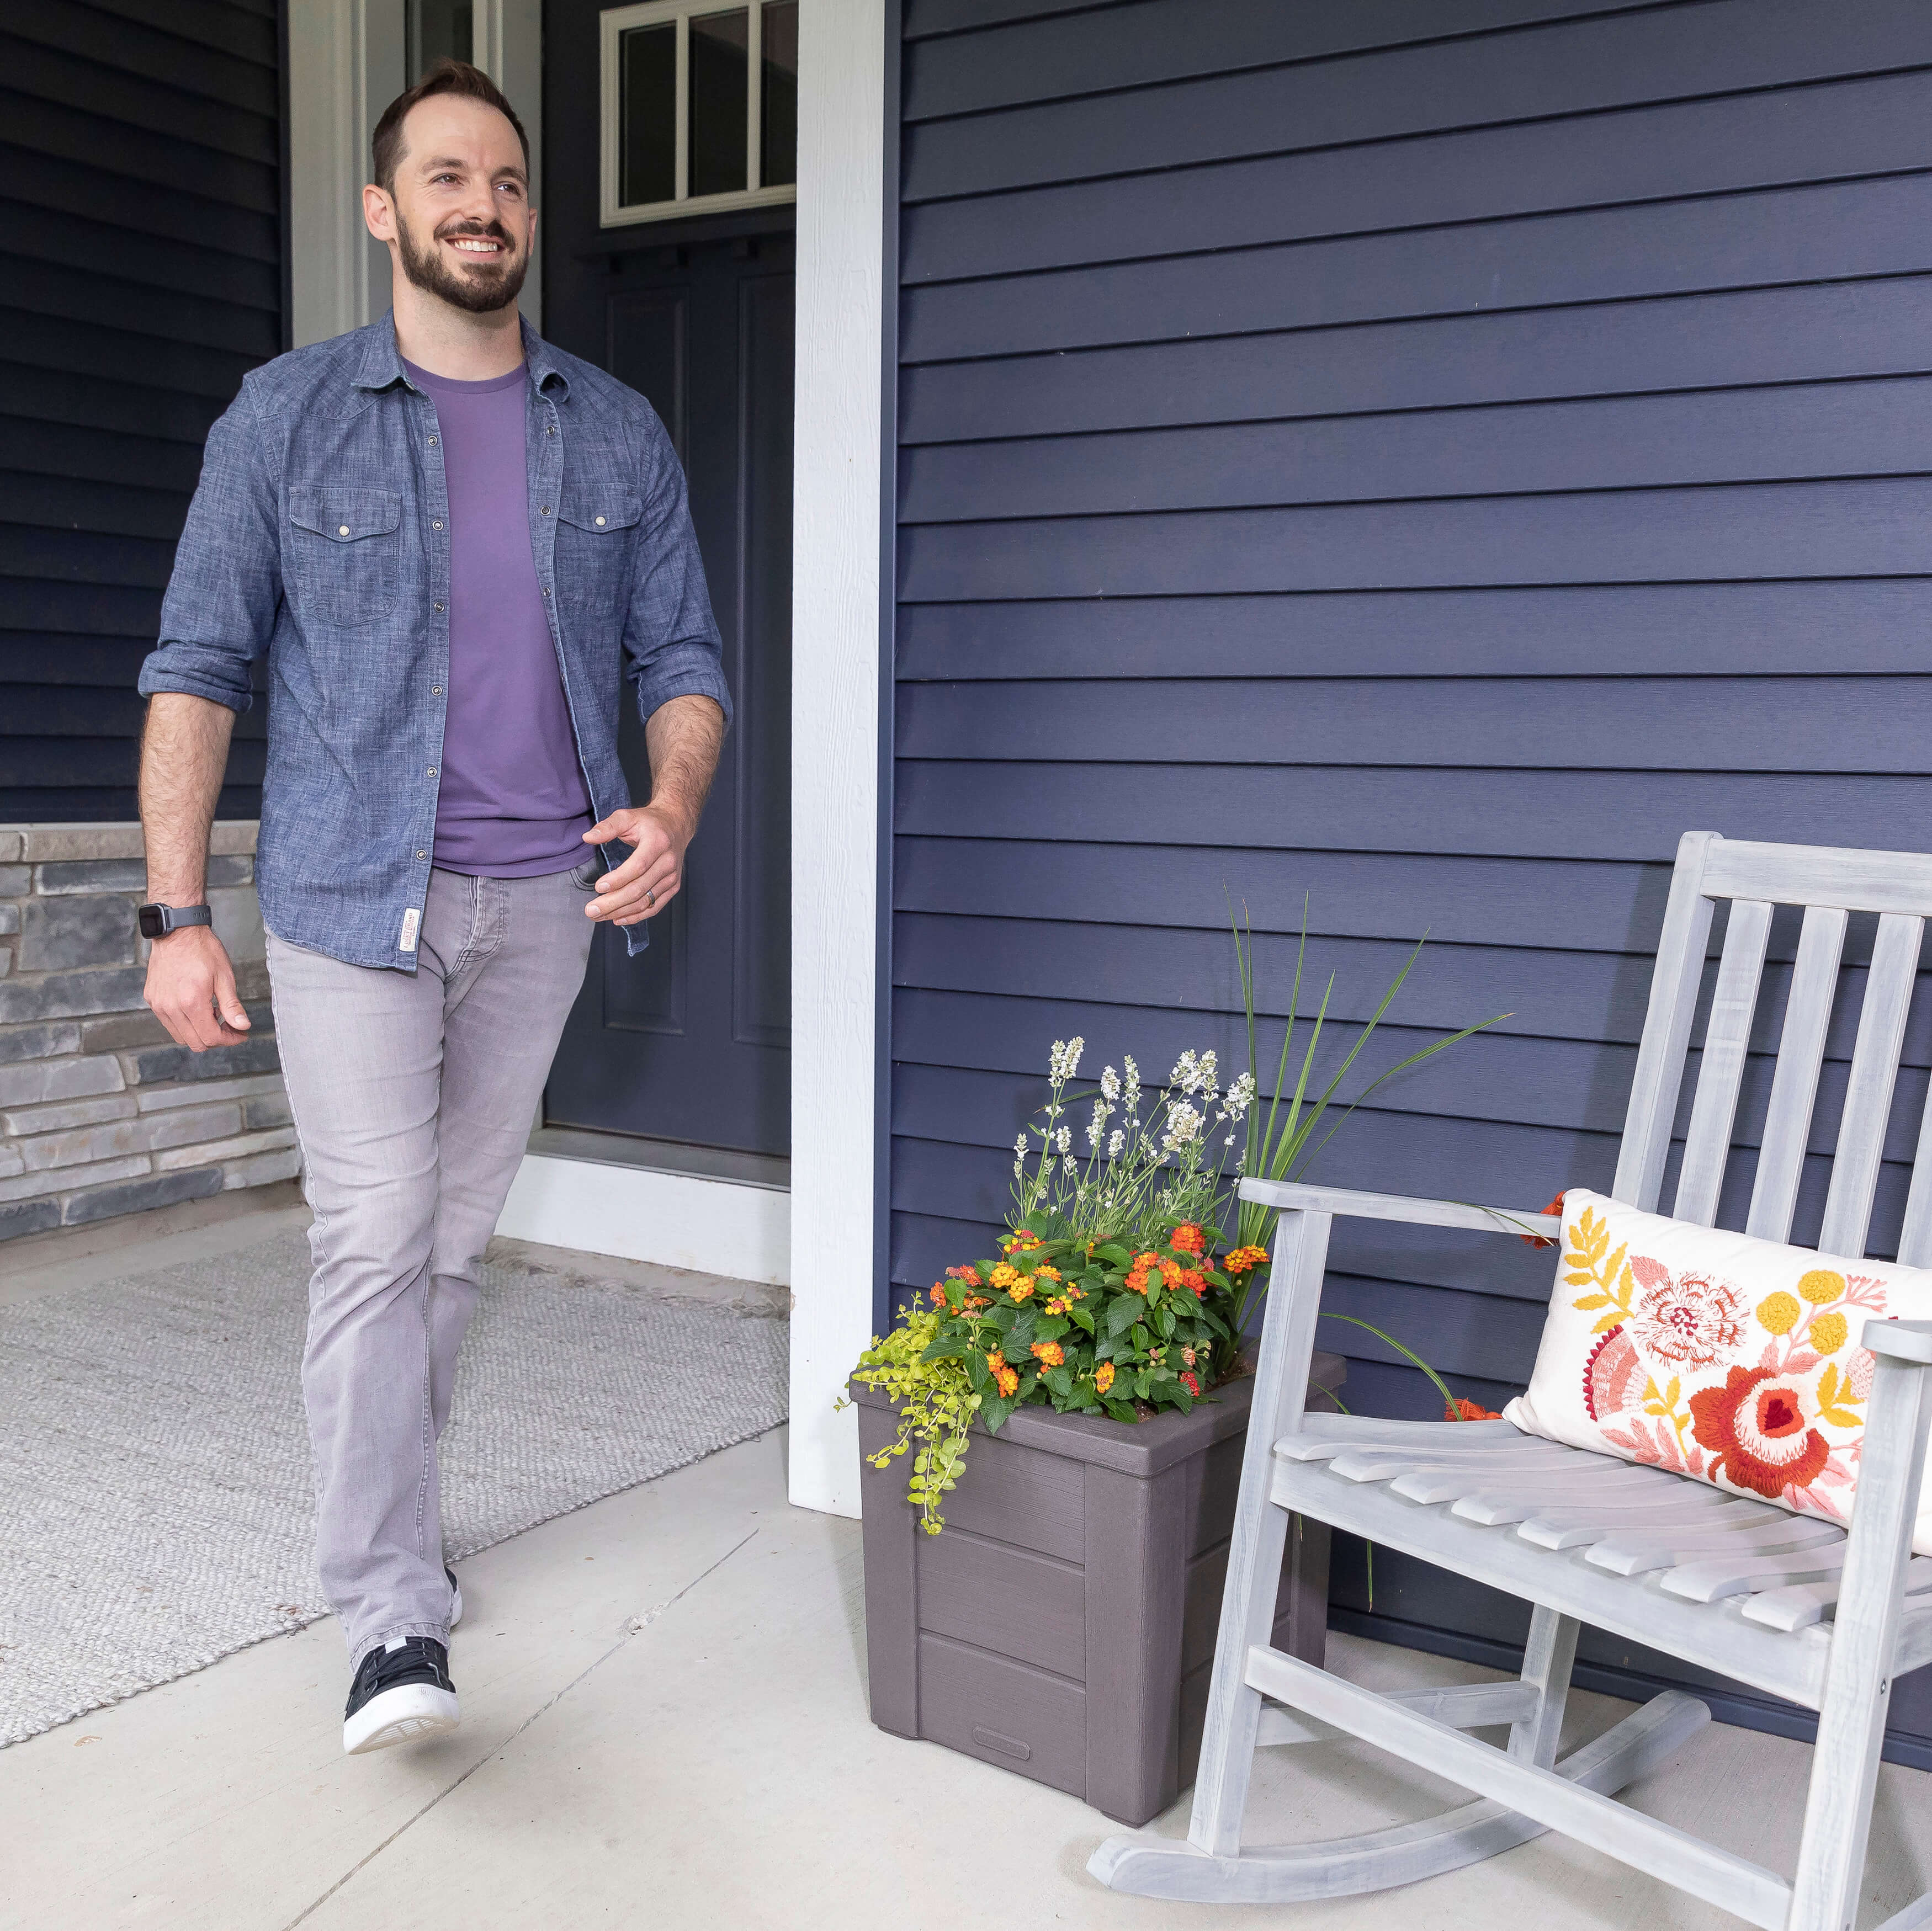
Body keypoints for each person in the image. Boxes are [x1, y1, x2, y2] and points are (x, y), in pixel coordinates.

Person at [135, 60, 729, 1756]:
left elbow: (681, 658)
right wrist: (173, 911)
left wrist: (671, 803)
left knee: (451, 1248)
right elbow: (196, 664)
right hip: (347, 898)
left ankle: (391, 1516)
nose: (486, 207)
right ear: (386, 208)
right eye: (449, 179)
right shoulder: (286, 414)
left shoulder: (610, 425)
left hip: (546, 895)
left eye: (511, 183)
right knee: (377, 1237)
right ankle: (390, 1605)